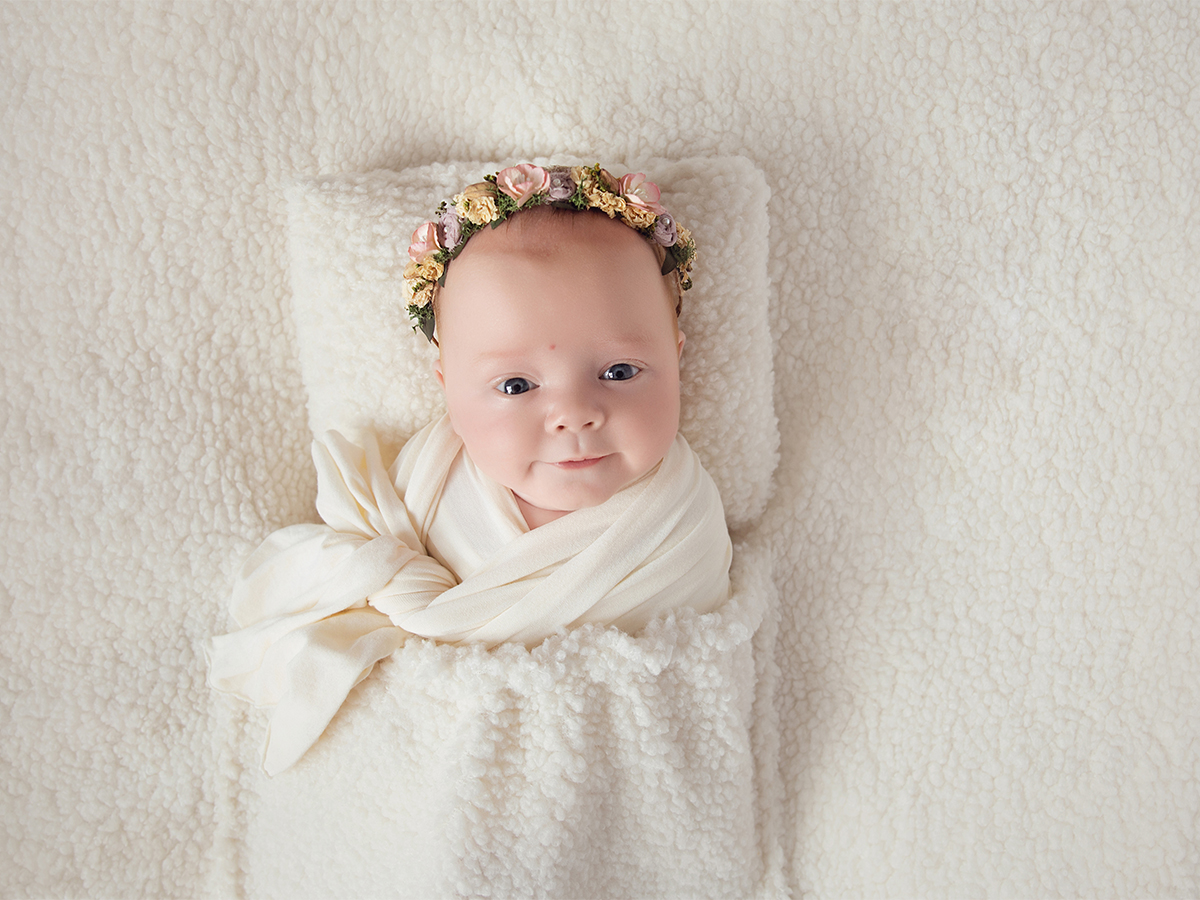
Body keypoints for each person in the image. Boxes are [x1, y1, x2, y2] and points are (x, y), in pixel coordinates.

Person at [207, 164, 733, 774]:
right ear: (447, 388)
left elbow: (693, 676)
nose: (574, 414)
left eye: (619, 372)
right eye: (516, 385)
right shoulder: (423, 488)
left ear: (676, 359)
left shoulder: (681, 524)